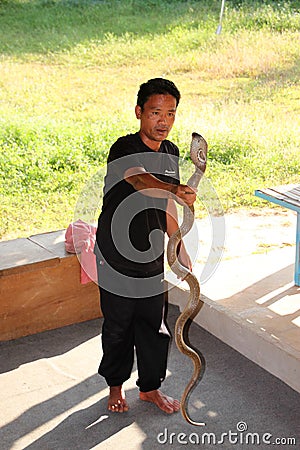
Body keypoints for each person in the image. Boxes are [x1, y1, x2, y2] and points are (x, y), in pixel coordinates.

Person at [94, 78, 196, 414]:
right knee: (119, 324)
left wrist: (177, 245)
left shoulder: (171, 153)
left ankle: (150, 388)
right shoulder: (123, 148)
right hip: (115, 254)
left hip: (150, 256)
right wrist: (176, 188)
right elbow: (140, 181)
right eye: (155, 112)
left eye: (170, 113)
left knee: (155, 324)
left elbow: (165, 205)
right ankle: (114, 386)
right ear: (140, 112)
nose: (163, 121)